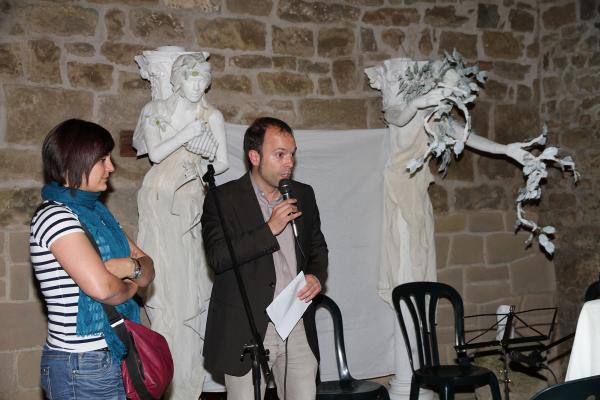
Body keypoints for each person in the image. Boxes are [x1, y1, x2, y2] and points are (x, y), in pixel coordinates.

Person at [201, 117, 328, 400]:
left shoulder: (303, 195)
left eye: (292, 154)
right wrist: (269, 228)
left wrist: (316, 276)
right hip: (246, 325)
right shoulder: (223, 199)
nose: (289, 162)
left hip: (295, 321)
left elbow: (318, 248)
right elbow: (218, 257)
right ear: (255, 156)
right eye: (280, 154)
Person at [30, 119, 155, 400]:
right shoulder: (56, 216)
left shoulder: (99, 214)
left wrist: (128, 267)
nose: (111, 167)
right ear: (76, 160)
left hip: (111, 354)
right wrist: (131, 286)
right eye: (102, 159)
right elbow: (104, 289)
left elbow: (148, 268)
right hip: (81, 365)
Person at [132, 53, 229, 399]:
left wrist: (204, 159)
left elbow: (223, 164)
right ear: (175, 80)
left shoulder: (211, 115)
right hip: (158, 203)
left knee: (189, 292)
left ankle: (187, 385)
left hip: (189, 205)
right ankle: (163, 376)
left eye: (202, 80)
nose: (197, 86)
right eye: (190, 78)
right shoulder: (155, 111)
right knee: (164, 292)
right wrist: (188, 136)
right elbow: (156, 155)